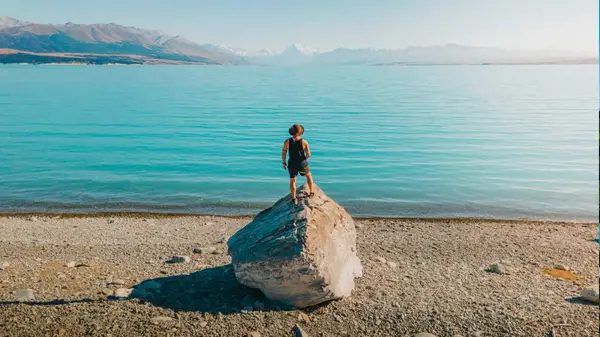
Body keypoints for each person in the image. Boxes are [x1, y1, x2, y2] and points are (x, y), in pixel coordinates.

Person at [281, 124, 314, 204]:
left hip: (292, 163)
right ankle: (311, 192)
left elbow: (284, 152)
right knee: (309, 176)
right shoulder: (304, 142)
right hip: (302, 163)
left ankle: (294, 198)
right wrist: (303, 159)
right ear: (301, 132)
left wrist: (284, 162)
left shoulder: (287, 141)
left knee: (293, 180)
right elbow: (308, 154)